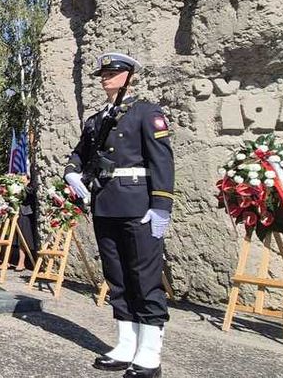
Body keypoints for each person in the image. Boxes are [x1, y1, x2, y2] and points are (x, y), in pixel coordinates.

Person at [64, 52, 174, 378]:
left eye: (112, 72)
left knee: (144, 278)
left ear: (129, 76)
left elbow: (162, 162)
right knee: (118, 278)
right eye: (103, 73)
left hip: (138, 206)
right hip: (105, 205)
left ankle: (150, 352)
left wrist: (161, 206)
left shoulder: (146, 113)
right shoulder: (97, 120)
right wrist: (72, 173)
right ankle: (127, 344)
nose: (105, 78)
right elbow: (80, 153)